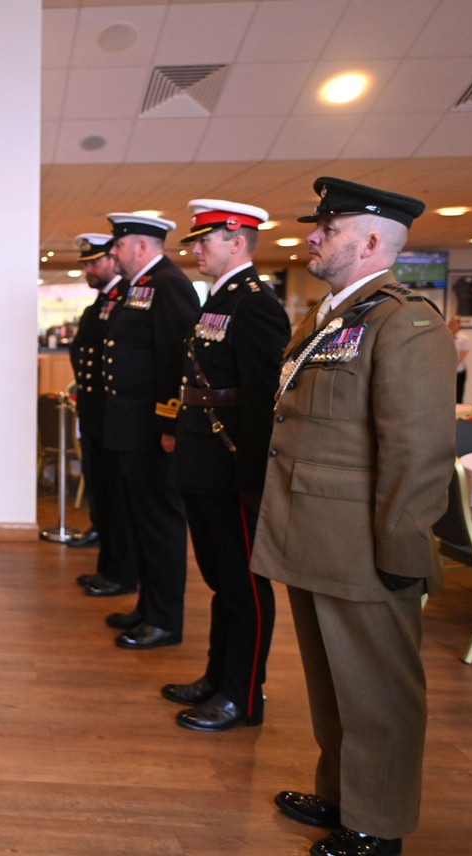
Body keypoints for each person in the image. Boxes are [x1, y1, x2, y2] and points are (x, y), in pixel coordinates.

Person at [253, 178, 452, 856]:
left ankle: (378, 824)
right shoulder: (334, 319)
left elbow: (418, 449)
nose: (313, 235)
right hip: (314, 538)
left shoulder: (405, 321)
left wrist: (400, 553)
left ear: (369, 242)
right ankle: (341, 793)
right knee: (332, 684)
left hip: (367, 548)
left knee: (378, 696)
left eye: (328, 228)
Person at [161, 200, 290, 731]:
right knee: (220, 580)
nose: (195, 249)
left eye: (204, 239)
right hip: (203, 460)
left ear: (237, 241)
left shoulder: (255, 303)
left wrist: (254, 477)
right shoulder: (217, 300)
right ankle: (218, 677)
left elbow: (263, 398)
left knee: (244, 585)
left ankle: (243, 695)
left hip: (233, 465)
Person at [98, 213, 200, 646]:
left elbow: (178, 362)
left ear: (140, 247)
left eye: (118, 246)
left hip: (152, 429)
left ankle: (165, 619)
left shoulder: (168, 284)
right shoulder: (142, 286)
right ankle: (147, 606)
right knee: (142, 520)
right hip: (130, 427)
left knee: (160, 523)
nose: (113, 254)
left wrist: (169, 421)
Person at [69, 233, 138, 604]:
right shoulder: (103, 302)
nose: (89, 269)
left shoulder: (128, 297)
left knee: (118, 498)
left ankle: (120, 571)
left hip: (115, 415)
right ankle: (108, 566)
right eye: (85, 264)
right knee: (102, 491)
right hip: (96, 413)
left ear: (113, 260)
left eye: (94, 262)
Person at [450, 315, 469, 403]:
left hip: (459, 371)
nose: (451, 325)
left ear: (458, 325)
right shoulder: (446, 337)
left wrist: (452, 364)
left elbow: (462, 355)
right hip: (448, 372)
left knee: (458, 395)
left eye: (454, 323)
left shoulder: (463, 338)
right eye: (451, 323)